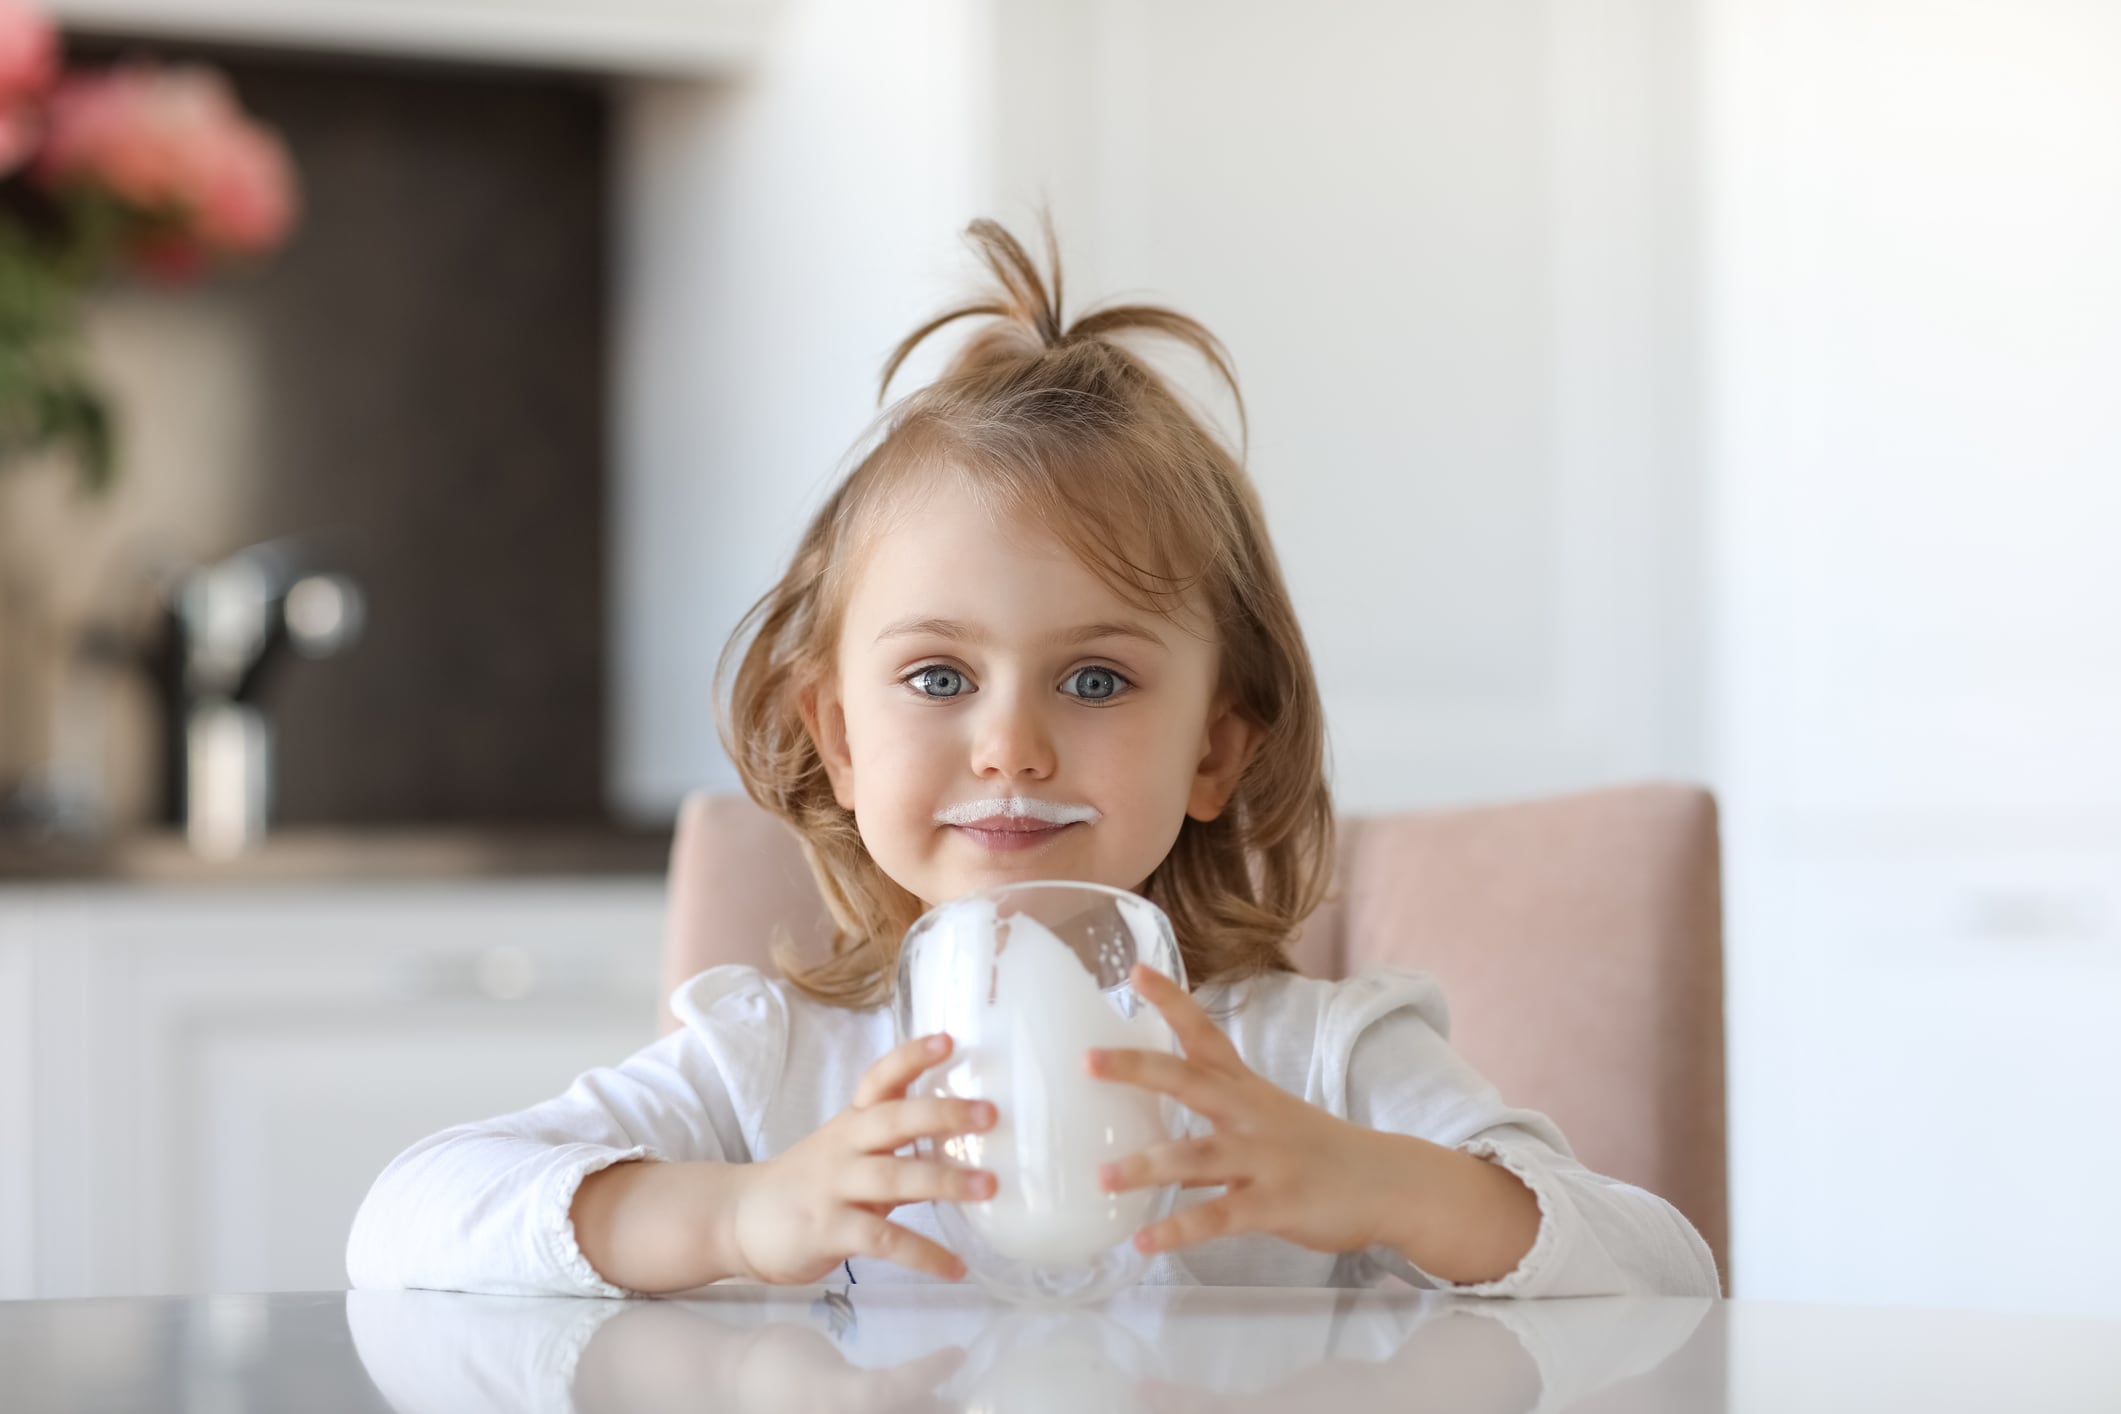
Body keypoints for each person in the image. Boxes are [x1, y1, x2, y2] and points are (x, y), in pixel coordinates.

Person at [346, 218, 1720, 1300]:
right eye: (938, 676)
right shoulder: (772, 1069)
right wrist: (735, 1210)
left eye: (1097, 676)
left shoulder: (1318, 1063)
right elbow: (406, 1218)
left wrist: (1383, 1185)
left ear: (1213, 746)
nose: (1010, 743)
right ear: (836, 729)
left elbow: (1666, 1271)